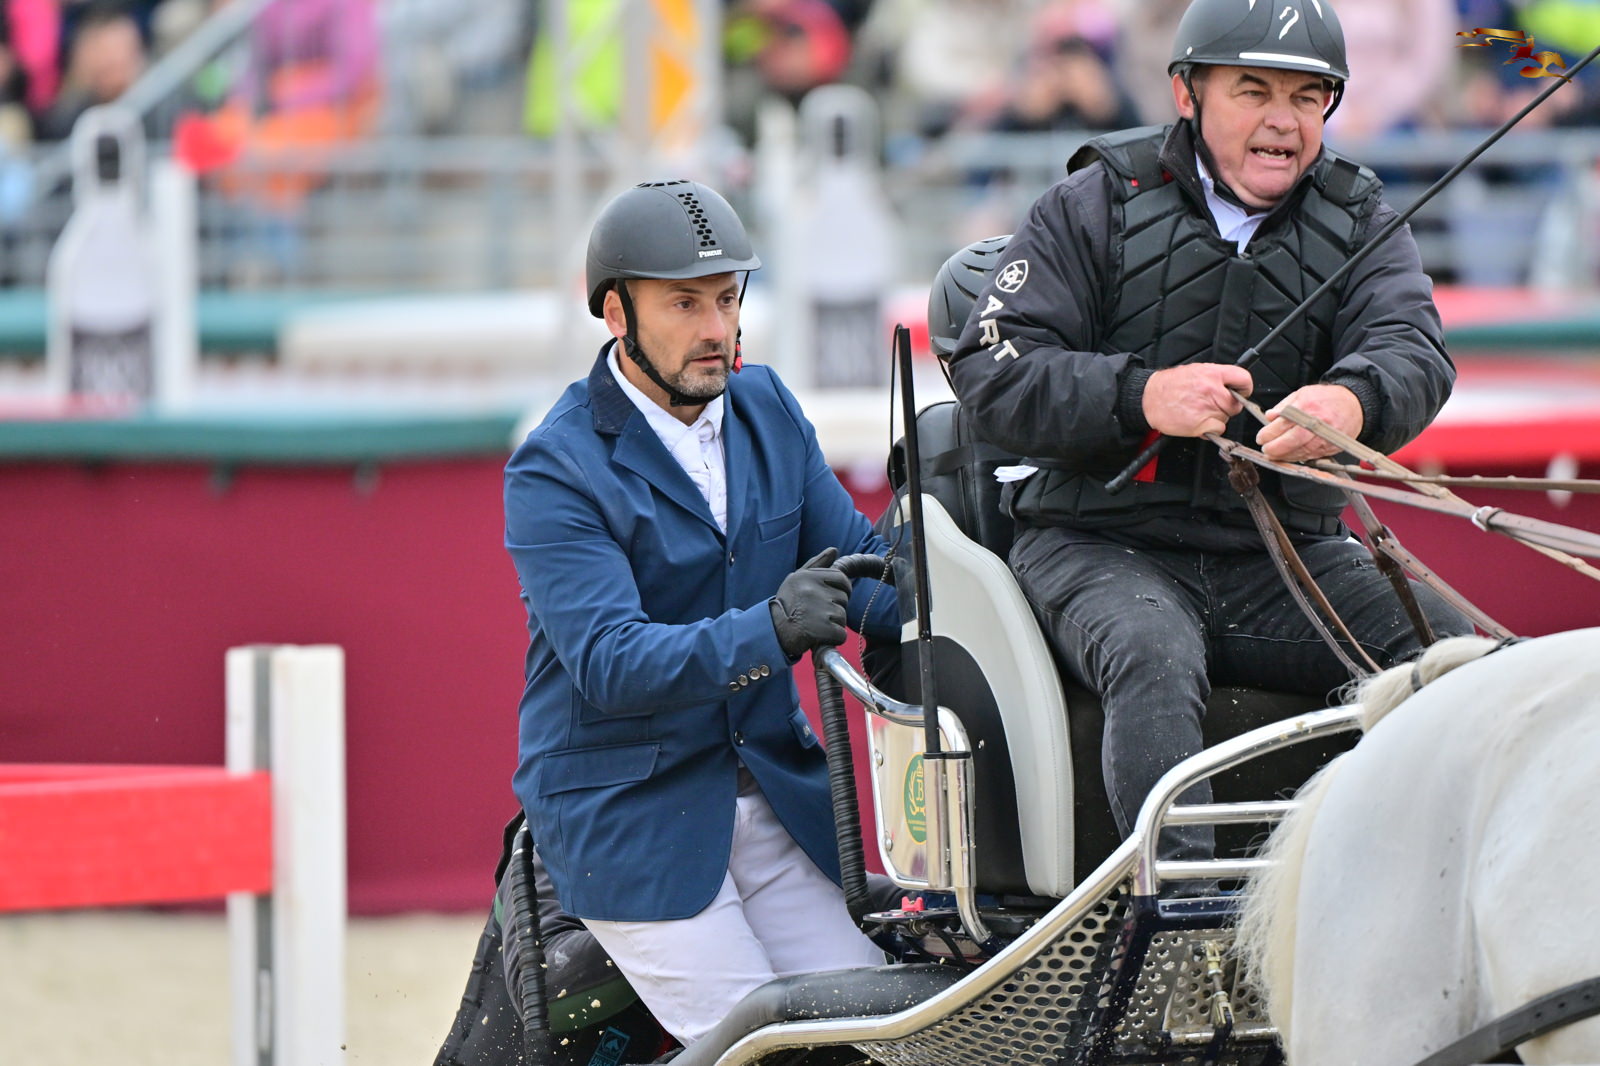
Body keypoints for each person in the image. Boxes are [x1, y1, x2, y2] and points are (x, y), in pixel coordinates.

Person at [945, 0, 1472, 866]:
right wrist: (1140, 395)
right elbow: (992, 370)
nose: (1283, 121)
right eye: (1253, 92)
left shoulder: (1363, 216)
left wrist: (1355, 403)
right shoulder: (1091, 202)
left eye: (1308, 98)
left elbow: (1413, 349)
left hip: (1285, 557)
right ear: (1187, 95)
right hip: (1096, 543)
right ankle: (1179, 915)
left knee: (1457, 663)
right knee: (1152, 655)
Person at [504, 179, 897, 1047]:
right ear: (616, 313)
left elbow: (868, 575)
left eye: (726, 298)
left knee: (877, 1035)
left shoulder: (770, 408)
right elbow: (610, 662)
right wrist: (773, 629)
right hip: (631, 812)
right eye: (684, 304)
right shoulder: (553, 467)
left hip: (771, 796)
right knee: (762, 1051)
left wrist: (958, 544)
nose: (717, 327)